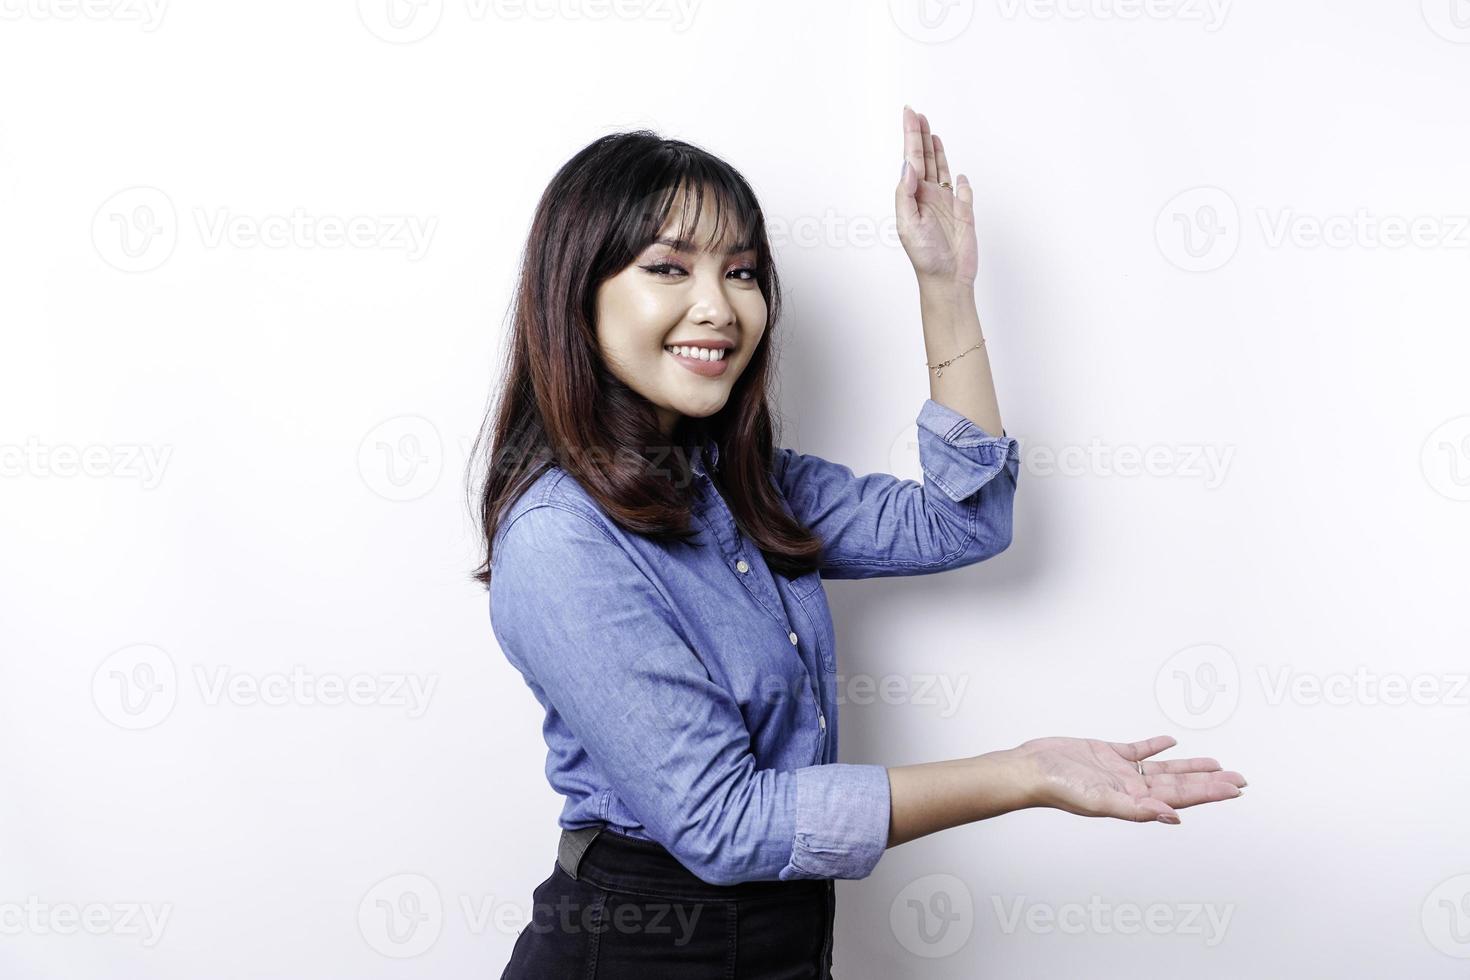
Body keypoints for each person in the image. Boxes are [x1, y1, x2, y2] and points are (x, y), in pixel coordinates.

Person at [469, 105, 1247, 979]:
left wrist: (945, 289)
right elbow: (724, 824)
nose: (718, 307)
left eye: (742, 272)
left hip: (783, 928)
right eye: (667, 268)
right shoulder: (561, 540)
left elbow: (963, 521)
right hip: (643, 945)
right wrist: (1020, 773)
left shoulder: (737, 480)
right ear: (576, 292)